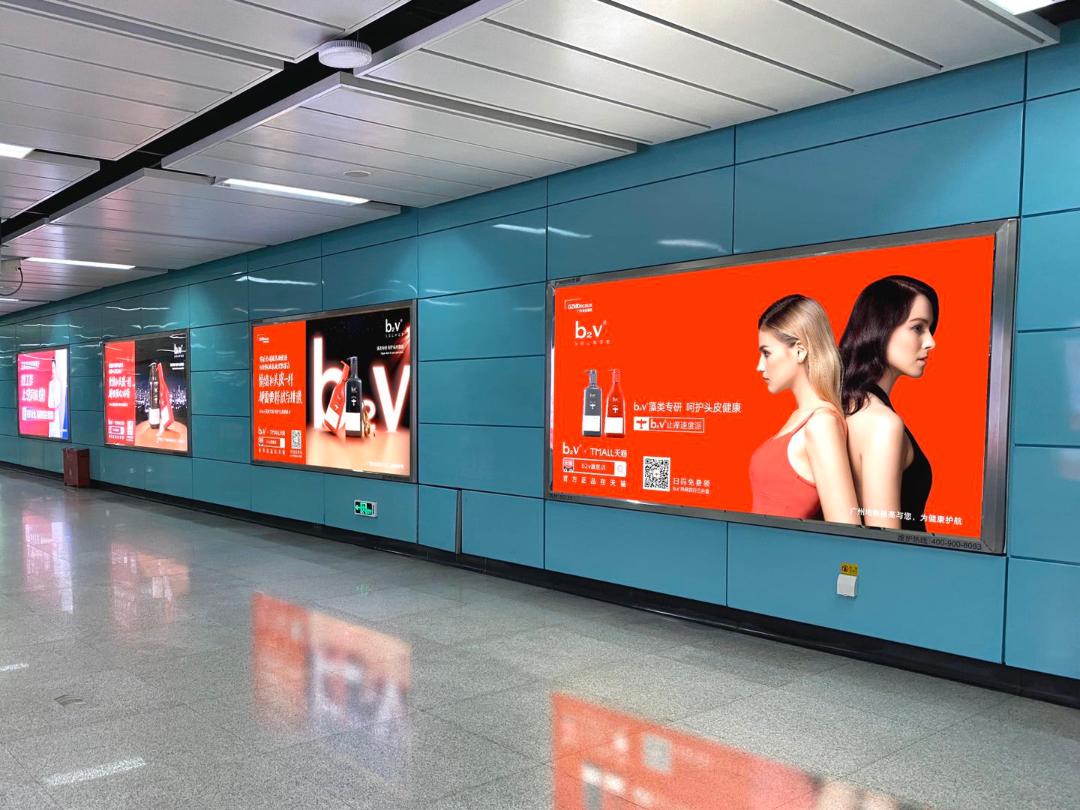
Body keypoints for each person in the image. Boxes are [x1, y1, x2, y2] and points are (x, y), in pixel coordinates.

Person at [749, 295, 860, 524]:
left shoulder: (822, 424)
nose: (759, 366)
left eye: (767, 353)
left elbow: (845, 527)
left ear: (800, 351)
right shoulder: (800, 418)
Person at [839, 276, 937, 532]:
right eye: (918, 328)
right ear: (881, 328)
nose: (931, 342)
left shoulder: (846, 404)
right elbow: (884, 540)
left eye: (930, 328)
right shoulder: (882, 424)